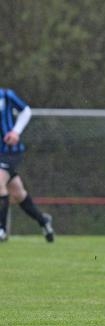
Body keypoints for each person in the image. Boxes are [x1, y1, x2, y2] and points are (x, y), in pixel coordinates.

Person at [0, 88, 54, 242]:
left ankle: (1, 230)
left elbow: (26, 111)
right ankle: (43, 221)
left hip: (10, 151)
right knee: (17, 192)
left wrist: (16, 132)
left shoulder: (5, 95)